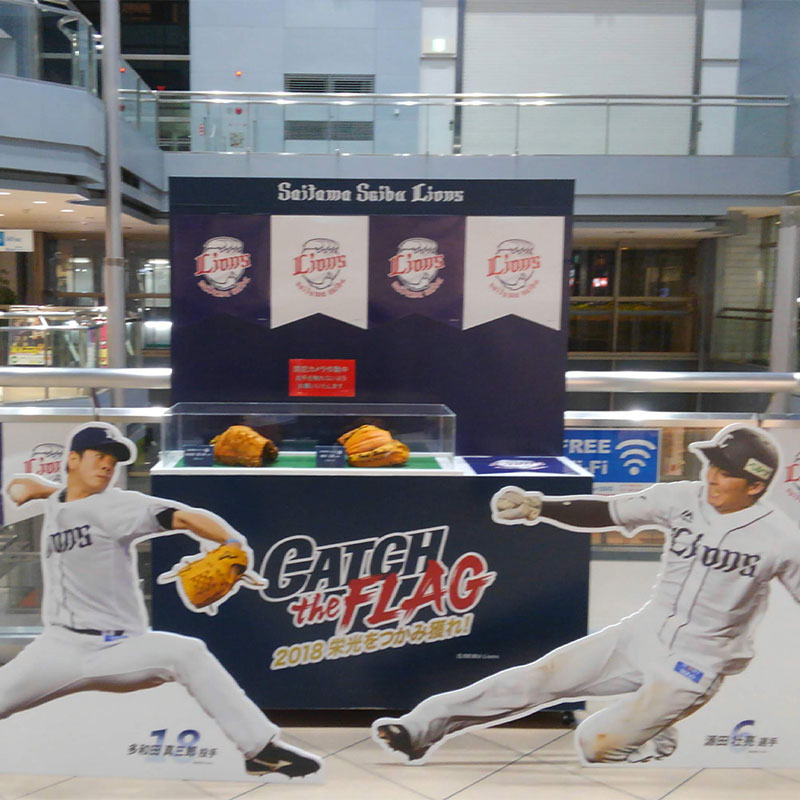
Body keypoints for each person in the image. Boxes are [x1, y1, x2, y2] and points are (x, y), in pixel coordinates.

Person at [373, 424, 798, 765]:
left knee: (594, 743)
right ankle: (418, 728)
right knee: (537, 678)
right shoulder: (682, 498)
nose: (711, 477)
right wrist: (540, 507)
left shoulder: (782, 539)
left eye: (725, 472)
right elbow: (608, 511)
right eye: (712, 465)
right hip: (645, 631)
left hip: (697, 662)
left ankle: (651, 733)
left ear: (755, 486)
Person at [1, 422, 322, 780]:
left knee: (187, 653)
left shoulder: (119, 505)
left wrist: (232, 543)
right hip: (58, 647)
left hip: (117, 648)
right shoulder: (59, 502)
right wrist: (31, 488)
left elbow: (183, 517)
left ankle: (260, 750)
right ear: (73, 459)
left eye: (113, 460)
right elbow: (60, 497)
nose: (108, 464)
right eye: (100, 455)